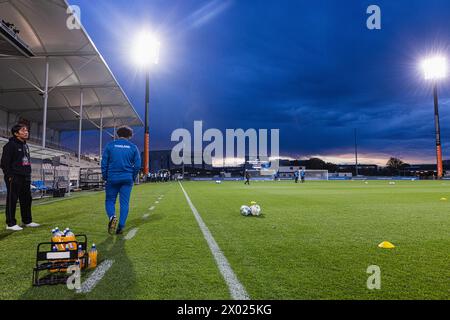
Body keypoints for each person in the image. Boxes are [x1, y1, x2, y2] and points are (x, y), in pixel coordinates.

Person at [101, 126, 141, 235]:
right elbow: (137, 165)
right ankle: (121, 227)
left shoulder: (110, 145)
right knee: (124, 203)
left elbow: (104, 162)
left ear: (117, 135)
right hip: (127, 178)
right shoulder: (133, 147)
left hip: (112, 178)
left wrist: (105, 176)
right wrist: (132, 177)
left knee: (109, 201)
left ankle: (112, 217)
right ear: (130, 135)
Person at [1, 123, 40, 231]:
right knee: (12, 200)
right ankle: (10, 223)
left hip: (25, 177)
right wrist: (9, 175)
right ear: (16, 133)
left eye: (27, 130)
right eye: (23, 130)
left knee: (26, 199)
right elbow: (4, 163)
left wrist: (28, 173)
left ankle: (27, 221)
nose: (26, 132)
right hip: (14, 177)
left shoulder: (25, 145)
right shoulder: (10, 145)